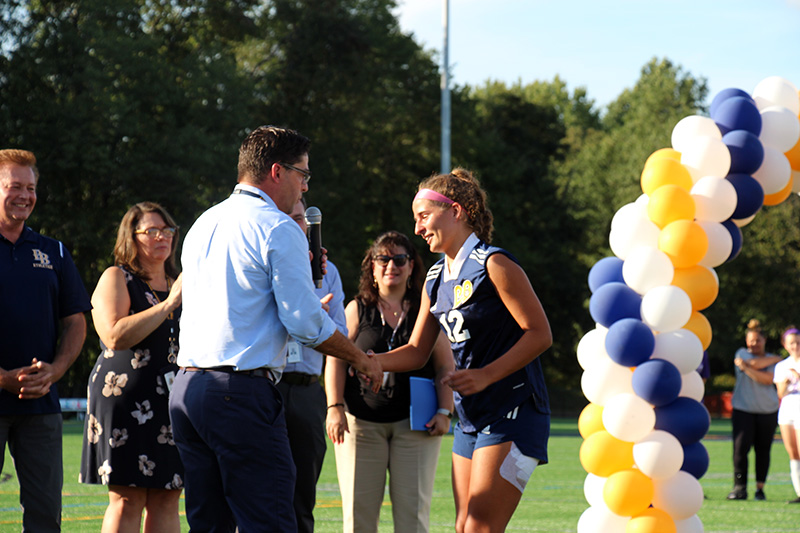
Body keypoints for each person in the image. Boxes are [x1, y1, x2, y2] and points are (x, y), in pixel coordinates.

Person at [169, 125, 382, 532]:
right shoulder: (277, 225)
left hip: (187, 390)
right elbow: (304, 322)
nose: (304, 188)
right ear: (276, 171)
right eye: (303, 175)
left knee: (208, 523)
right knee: (270, 520)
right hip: (240, 392)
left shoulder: (204, 222)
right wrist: (360, 359)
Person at [374, 168, 552, 533]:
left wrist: (485, 374)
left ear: (456, 211)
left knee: (480, 528)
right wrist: (365, 360)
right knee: (463, 526)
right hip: (471, 418)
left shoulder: (494, 264)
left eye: (424, 216)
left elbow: (540, 334)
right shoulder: (435, 278)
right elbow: (416, 350)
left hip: (513, 411)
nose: (418, 229)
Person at [325, 230, 454, 533]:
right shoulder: (357, 309)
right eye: (382, 259)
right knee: (359, 517)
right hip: (361, 425)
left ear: (412, 266)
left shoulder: (427, 311)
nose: (390, 266)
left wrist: (445, 412)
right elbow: (336, 359)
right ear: (371, 266)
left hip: (417, 428)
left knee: (413, 517)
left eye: (399, 259)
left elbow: (445, 367)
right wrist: (334, 406)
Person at [0, 148, 92, 531]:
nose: (25, 195)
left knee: (44, 516)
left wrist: (54, 371)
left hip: (41, 404)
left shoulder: (52, 251)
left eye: (31, 187)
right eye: (14, 186)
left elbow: (75, 320)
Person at [80, 202, 184, 532]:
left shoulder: (179, 282)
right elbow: (113, 335)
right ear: (131, 237)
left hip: (172, 401)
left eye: (166, 230)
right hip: (125, 399)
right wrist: (168, 305)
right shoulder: (117, 277)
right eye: (150, 231)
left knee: (169, 496)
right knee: (128, 498)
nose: (161, 237)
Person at [279, 197, 347, 533]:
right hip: (266, 386)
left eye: (301, 218)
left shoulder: (327, 272)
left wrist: (316, 320)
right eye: (289, 217)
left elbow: (341, 337)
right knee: (258, 492)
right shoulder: (264, 263)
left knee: (302, 496)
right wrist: (299, 318)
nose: (297, 224)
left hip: (307, 392)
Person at [727, 319, 781, 501]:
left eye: (757, 340)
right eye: (751, 340)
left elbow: (768, 379)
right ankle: (739, 487)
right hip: (743, 409)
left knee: (763, 450)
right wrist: (773, 360)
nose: (753, 344)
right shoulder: (741, 353)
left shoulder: (774, 362)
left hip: (767, 411)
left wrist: (748, 368)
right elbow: (757, 367)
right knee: (740, 450)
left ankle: (760, 489)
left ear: (764, 340)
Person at [774, 326, 800, 504]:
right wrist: (785, 381)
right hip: (787, 411)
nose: (795, 346)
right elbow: (780, 393)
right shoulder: (781, 366)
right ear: (785, 345)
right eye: (792, 343)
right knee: (793, 453)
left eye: (798, 342)